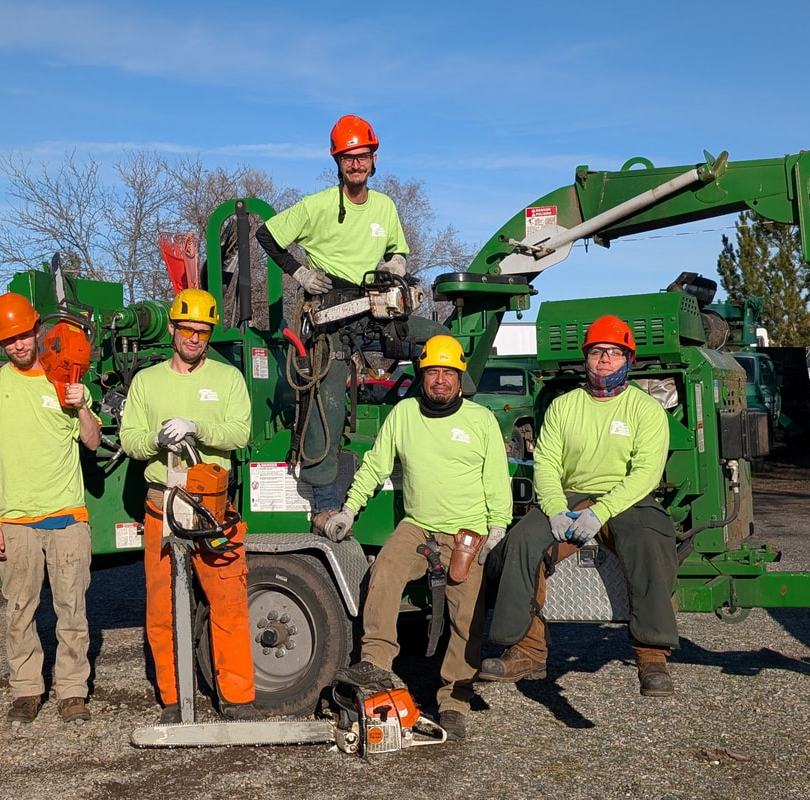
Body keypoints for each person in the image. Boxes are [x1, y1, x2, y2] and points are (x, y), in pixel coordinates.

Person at [254, 114, 448, 534]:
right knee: (326, 398)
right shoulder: (319, 205)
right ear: (337, 161)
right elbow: (267, 236)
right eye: (348, 158)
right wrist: (300, 273)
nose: (356, 165)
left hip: (376, 309)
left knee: (440, 345)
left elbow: (399, 250)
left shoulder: (385, 207)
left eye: (362, 157)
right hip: (331, 313)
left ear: (374, 159)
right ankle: (324, 503)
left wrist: (395, 263)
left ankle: (423, 422)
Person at [479, 315, 680, 696]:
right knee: (522, 540)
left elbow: (645, 474)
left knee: (649, 539)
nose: (605, 359)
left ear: (629, 360)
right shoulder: (563, 407)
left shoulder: (646, 410)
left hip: (625, 498)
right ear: (585, 357)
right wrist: (555, 508)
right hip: (570, 497)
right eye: (597, 351)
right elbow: (548, 464)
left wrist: (600, 513)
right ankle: (525, 649)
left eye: (614, 352)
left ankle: (651, 655)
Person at [328, 335, 512, 741]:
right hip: (418, 525)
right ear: (422, 376)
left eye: (449, 373)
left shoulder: (481, 420)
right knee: (384, 575)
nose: (441, 380)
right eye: (433, 372)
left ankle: (454, 700)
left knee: (467, 615)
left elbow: (497, 479)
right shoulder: (404, 414)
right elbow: (376, 465)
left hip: (468, 531)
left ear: (460, 377)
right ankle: (376, 668)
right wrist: (349, 509)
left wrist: (498, 525)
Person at [0, 293, 100, 724]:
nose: (20, 345)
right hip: (15, 521)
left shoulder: (66, 379)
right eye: (10, 340)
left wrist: (81, 408)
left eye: (24, 335)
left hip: (67, 516)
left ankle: (73, 691)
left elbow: (92, 442)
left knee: (71, 609)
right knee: (19, 610)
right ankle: (26, 689)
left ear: (38, 330)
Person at [119, 288, 259, 723]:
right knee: (163, 607)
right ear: (174, 330)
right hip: (163, 504)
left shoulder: (228, 377)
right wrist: (155, 440)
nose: (195, 338)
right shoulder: (147, 381)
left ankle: (237, 698)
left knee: (229, 601)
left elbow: (240, 433)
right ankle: (174, 699)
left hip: (212, 505)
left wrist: (197, 427)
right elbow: (129, 441)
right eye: (187, 329)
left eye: (203, 331)